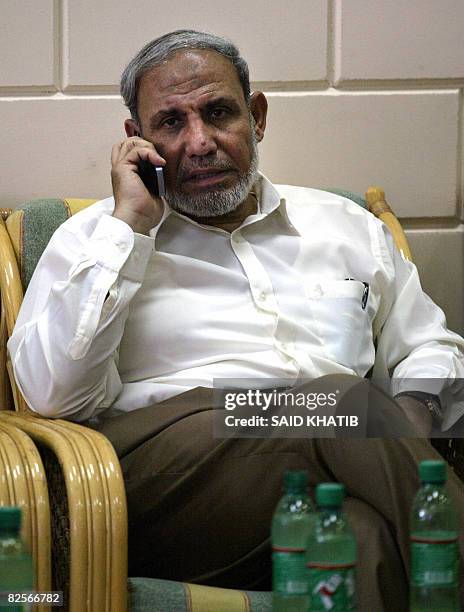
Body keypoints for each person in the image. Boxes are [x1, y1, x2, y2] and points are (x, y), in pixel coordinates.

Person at [7, 29, 464, 610]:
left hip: (324, 466)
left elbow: (429, 345)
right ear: (136, 140)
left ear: (257, 116)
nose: (200, 142)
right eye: (171, 123)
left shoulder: (346, 226)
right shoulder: (96, 239)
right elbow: (51, 396)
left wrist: (414, 414)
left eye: (219, 113)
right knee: (341, 400)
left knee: (357, 538)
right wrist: (129, 229)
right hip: (156, 481)